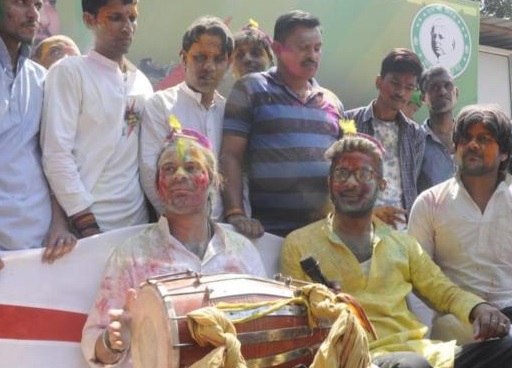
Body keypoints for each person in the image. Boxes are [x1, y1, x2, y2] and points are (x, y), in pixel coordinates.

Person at [281, 133, 512, 368]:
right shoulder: (300, 244)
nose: (351, 182)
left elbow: (444, 292)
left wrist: (479, 308)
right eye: (342, 173)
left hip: (423, 353)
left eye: (363, 173)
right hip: (354, 358)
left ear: (382, 184)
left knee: (507, 348)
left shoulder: (401, 243)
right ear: (330, 182)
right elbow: (292, 322)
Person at [81, 128, 266, 367]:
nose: (179, 175)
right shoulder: (132, 256)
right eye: (168, 169)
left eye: (191, 167)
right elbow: (92, 343)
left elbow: (265, 326)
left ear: (211, 179)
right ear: (158, 185)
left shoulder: (242, 252)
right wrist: (111, 342)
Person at [220, 10, 344, 238]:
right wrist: (235, 213)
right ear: (277, 49)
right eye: (303, 47)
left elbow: (342, 167)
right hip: (266, 234)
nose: (312, 55)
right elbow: (231, 156)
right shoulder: (251, 89)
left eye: (317, 48)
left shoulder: (332, 102)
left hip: (322, 236)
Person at [40, 0, 153, 239]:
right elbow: (56, 154)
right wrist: (85, 222)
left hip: (137, 225)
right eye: (115, 18)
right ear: (89, 20)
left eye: (132, 17)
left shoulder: (141, 82)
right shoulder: (69, 72)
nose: (127, 27)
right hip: (86, 226)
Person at [409, 104, 512, 343]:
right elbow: (416, 277)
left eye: (484, 139)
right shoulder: (430, 203)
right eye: (465, 138)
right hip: (457, 320)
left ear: (504, 152)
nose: (473, 145)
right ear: (455, 147)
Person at [0, 0, 76, 269]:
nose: (34, 14)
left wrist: (59, 223)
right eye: (21, 3)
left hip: (42, 247)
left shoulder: (41, 79)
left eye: (37, 4)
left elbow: (52, 157)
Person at [140, 15, 233, 219]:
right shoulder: (161, 105)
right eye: (200, 57)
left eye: (218, 59)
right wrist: (177, 220)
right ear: (183, 58)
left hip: (225, 229)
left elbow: (238, 172)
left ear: (228, 62)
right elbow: (150, 171)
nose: (209, 66)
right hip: (174, 227)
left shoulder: (230, 111)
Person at [345, 48, 425, 229]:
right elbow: (338, 181)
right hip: (358, 228)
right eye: (395, 83)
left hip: (402, 233)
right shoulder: (348, 123)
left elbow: (411, 185)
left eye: (409, 87)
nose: (401, 92)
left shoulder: (416, 134)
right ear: (379, 82)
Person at [417, 66, 458, 193]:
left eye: (447, 85)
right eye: (434, 87)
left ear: (456, 93)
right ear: (423, 98)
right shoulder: (415, 141)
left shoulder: (469, 137)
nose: (442, 92)